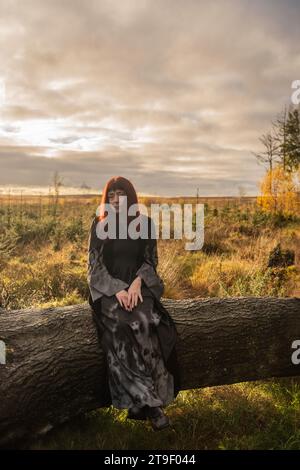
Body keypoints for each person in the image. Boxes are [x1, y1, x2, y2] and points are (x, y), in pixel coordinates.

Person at [87, 176, 181, 431]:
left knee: (145, 323)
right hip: (107, 291)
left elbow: (151, 261)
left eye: (121, 194)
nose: (115, 200)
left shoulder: (145, 224)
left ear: (131, 198)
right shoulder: (99, 225)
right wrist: (117, 289)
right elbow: (94, 267)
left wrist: (138, 283)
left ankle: (145, 400)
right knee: (119, 328)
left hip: (140, 288)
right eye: (111, 195)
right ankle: (150, 404)